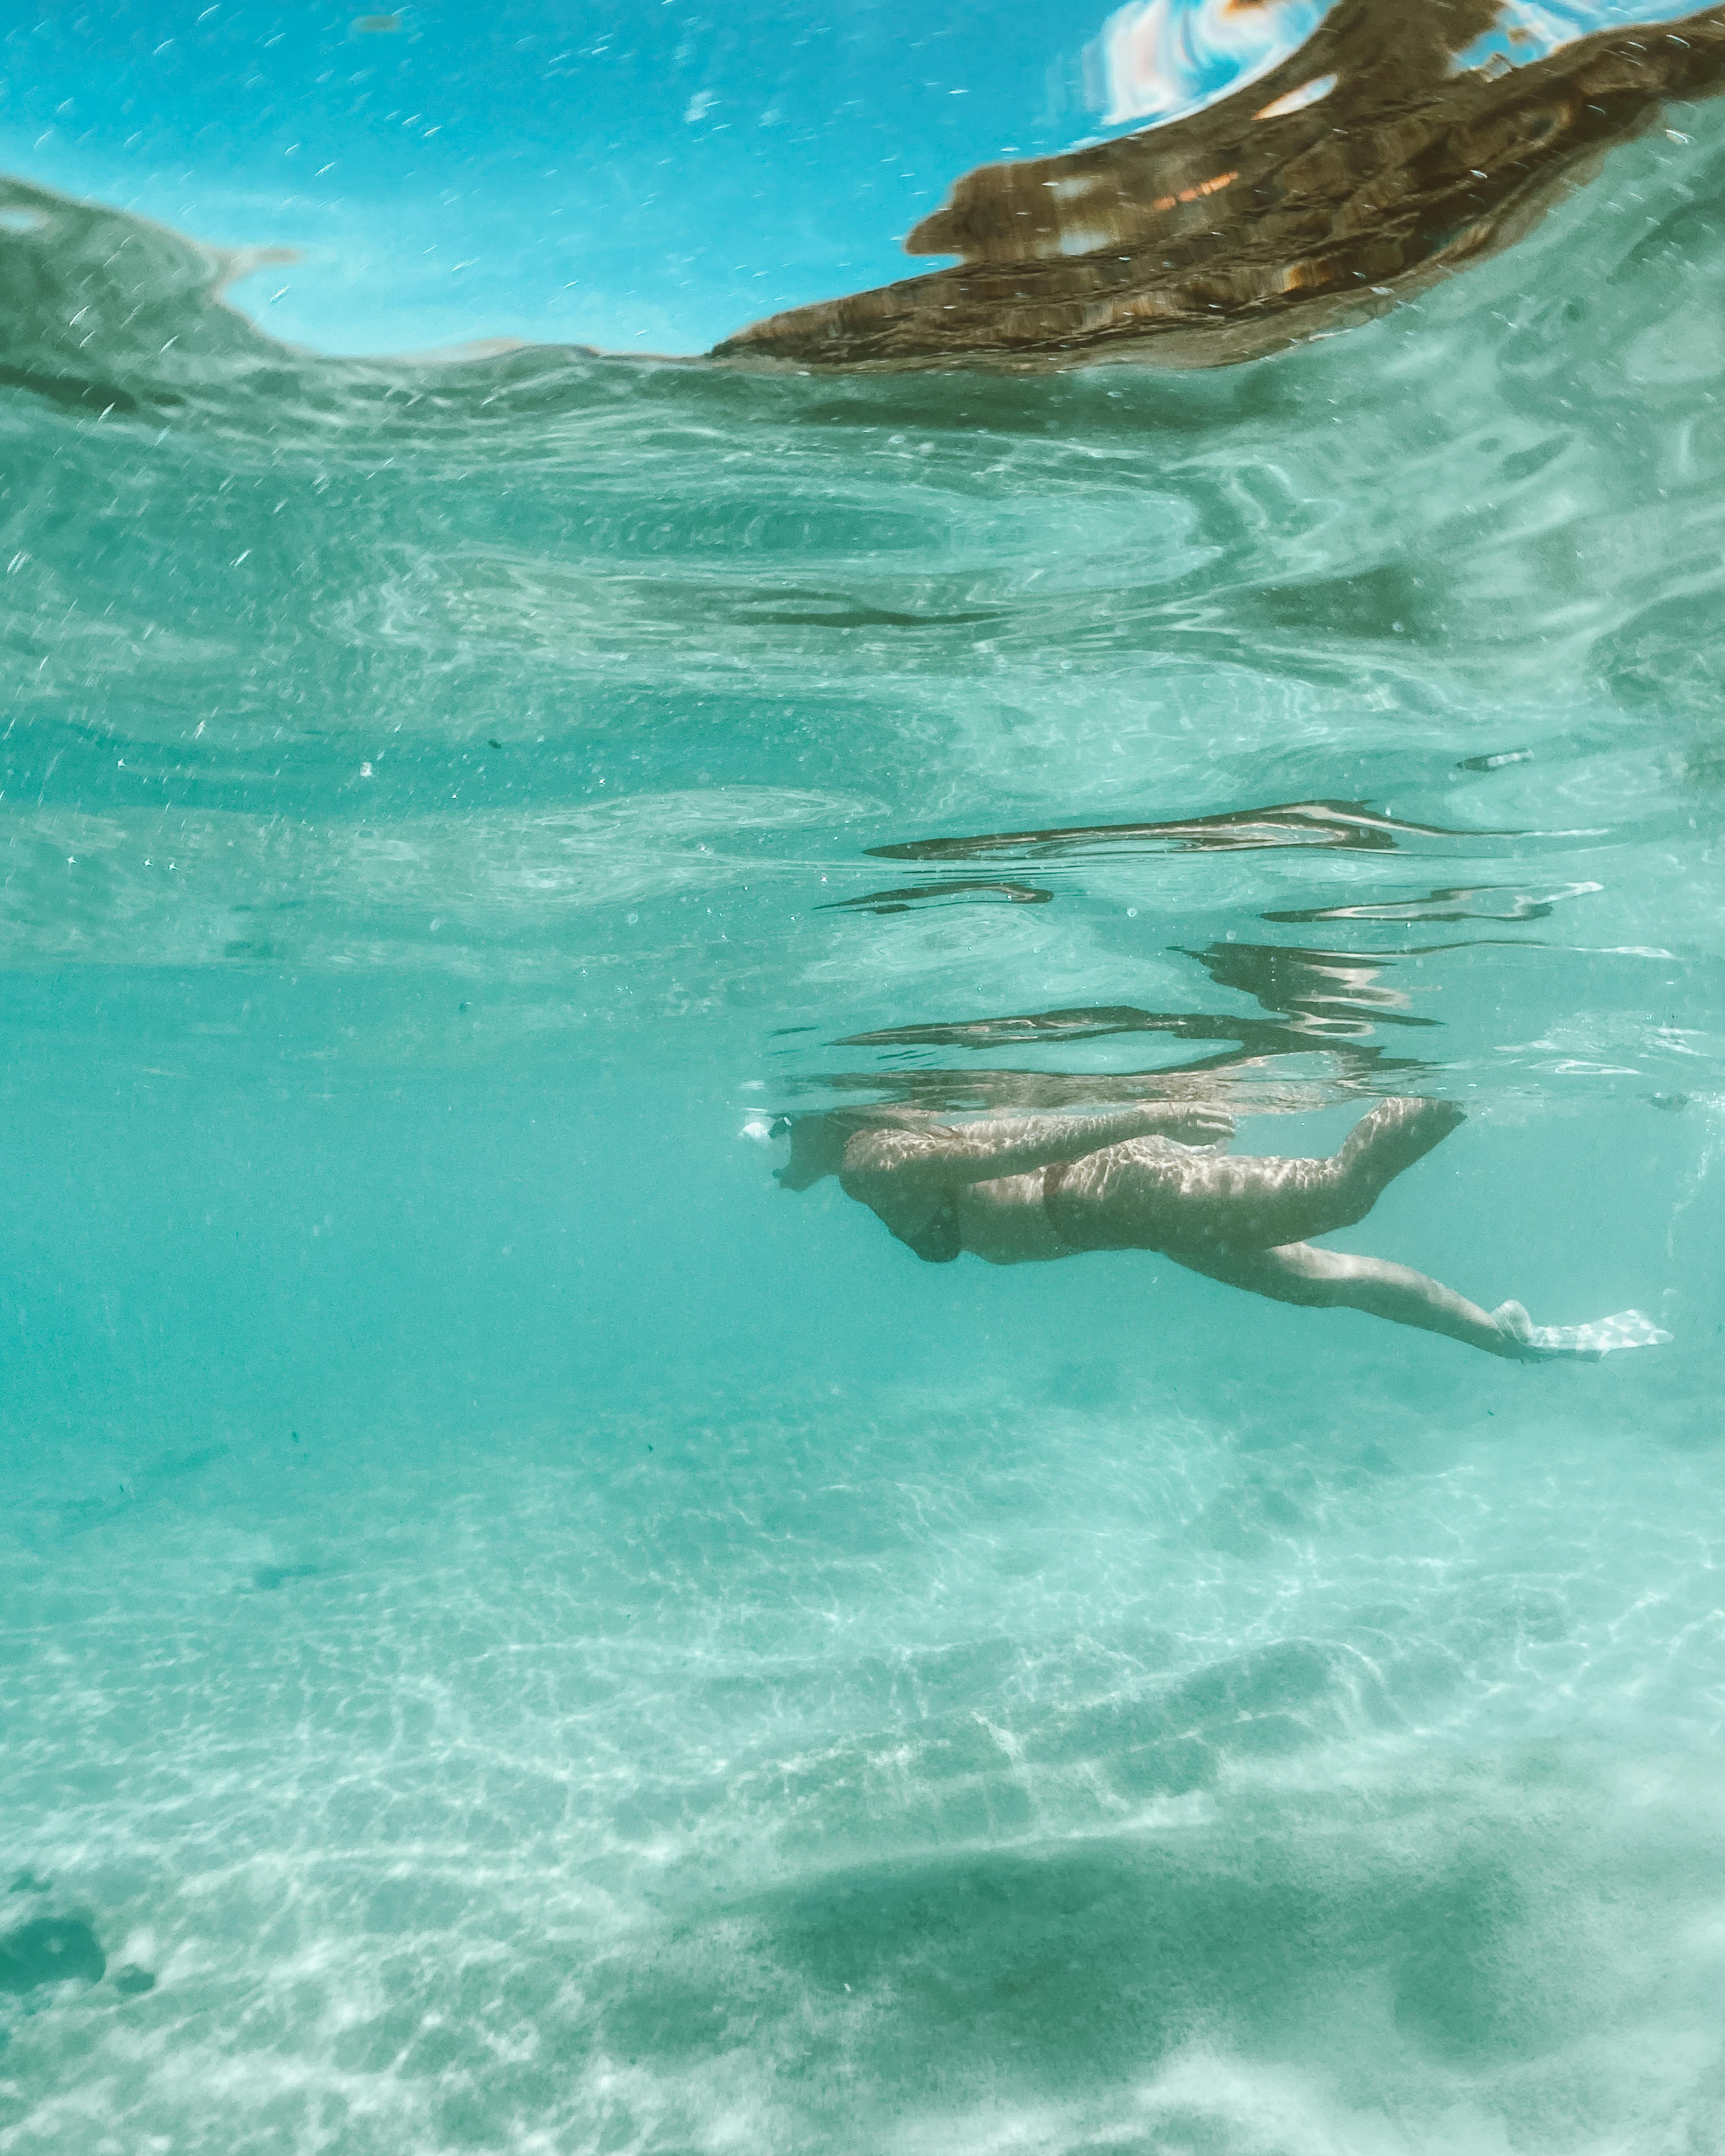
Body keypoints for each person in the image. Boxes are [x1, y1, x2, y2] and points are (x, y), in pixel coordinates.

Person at [775, 1096, 1668, 1362]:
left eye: (785, 1124)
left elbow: (1010, 1149)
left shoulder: (871, 1158)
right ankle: (1501, 1337)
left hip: (1121, 1189)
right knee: (1319, 1281)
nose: (778, 1144)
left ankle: (1446, 1089)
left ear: (823, 1117)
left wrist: (1142, 1116)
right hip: (1134, 1216)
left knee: (1341, 1194)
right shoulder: (864, 1161)